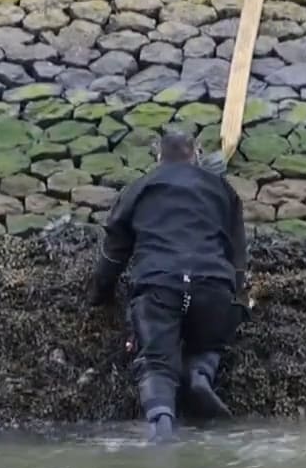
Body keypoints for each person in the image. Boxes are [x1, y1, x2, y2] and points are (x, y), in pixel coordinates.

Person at [87, 129, 250, 442]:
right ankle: (200, 374)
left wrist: (100, 295)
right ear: (197, 155)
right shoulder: (222, 190)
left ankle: (162, 428)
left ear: (158, 156)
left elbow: (113, 254)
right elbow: (238, 258)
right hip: (212, 287)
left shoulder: (140, 187)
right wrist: (236, 296)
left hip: (160, 286)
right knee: (208, 343)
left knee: (157, 365)